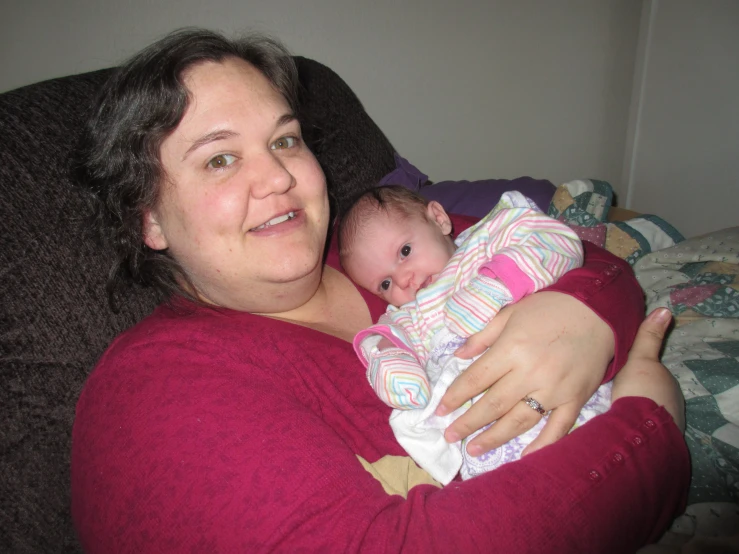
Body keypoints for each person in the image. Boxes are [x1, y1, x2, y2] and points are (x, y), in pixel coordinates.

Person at [71, 28, 689, 552]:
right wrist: (647, 430)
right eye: (219, 159)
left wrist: (579, 318)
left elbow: (580, 256)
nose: (280, 175)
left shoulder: (372, 254)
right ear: (147, 217)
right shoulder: (157, 388)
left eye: (284, 140)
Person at [338, 185, 612, 484]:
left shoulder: (488, 240)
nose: (404, 280)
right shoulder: (410, 313)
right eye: (385, 284)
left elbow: (557, 240)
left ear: (439, 219)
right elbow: (385, 337)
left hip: (560, 378)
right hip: (489, 435)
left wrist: (496, 285)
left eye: (405, 252)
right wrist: (391, 359)